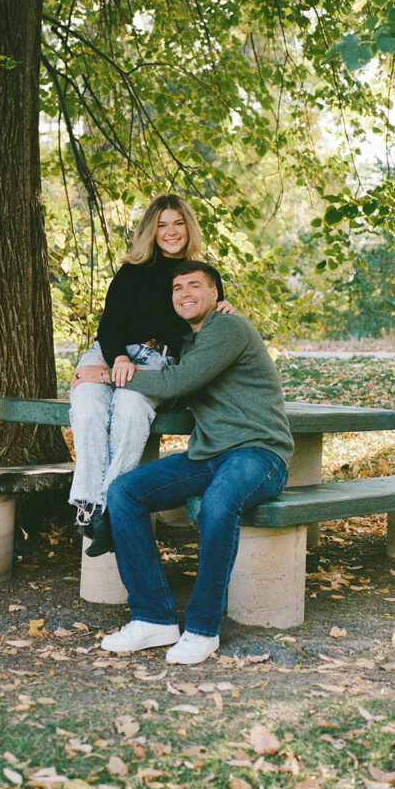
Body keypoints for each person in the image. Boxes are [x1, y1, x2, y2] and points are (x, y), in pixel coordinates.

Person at [71, 259, 293, 664]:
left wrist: (103, 376)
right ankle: (153, 617)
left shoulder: (228, 328)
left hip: (260, 453)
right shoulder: (185, 343)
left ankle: (203, 628)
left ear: (216, 295)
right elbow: (168, 380)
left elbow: (177, 383)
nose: (185, 294)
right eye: (178, 289)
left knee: (219, 504)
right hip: (209, 454)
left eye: (195, 286)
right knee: (125, 491)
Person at [68, 197, 233, 557]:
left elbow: (210, 331)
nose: (170, 232)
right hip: (112, 353)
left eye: (177, 223)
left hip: (157, 362)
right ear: (150, 231)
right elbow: (109, 325)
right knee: (89, 407)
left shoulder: (203, 275)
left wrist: (224, 310)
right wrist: (117, 360)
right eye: (161, 225)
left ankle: (107, 507)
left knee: (129, 410)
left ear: (189, 227)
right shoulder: (132, 271)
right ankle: (90, 507)